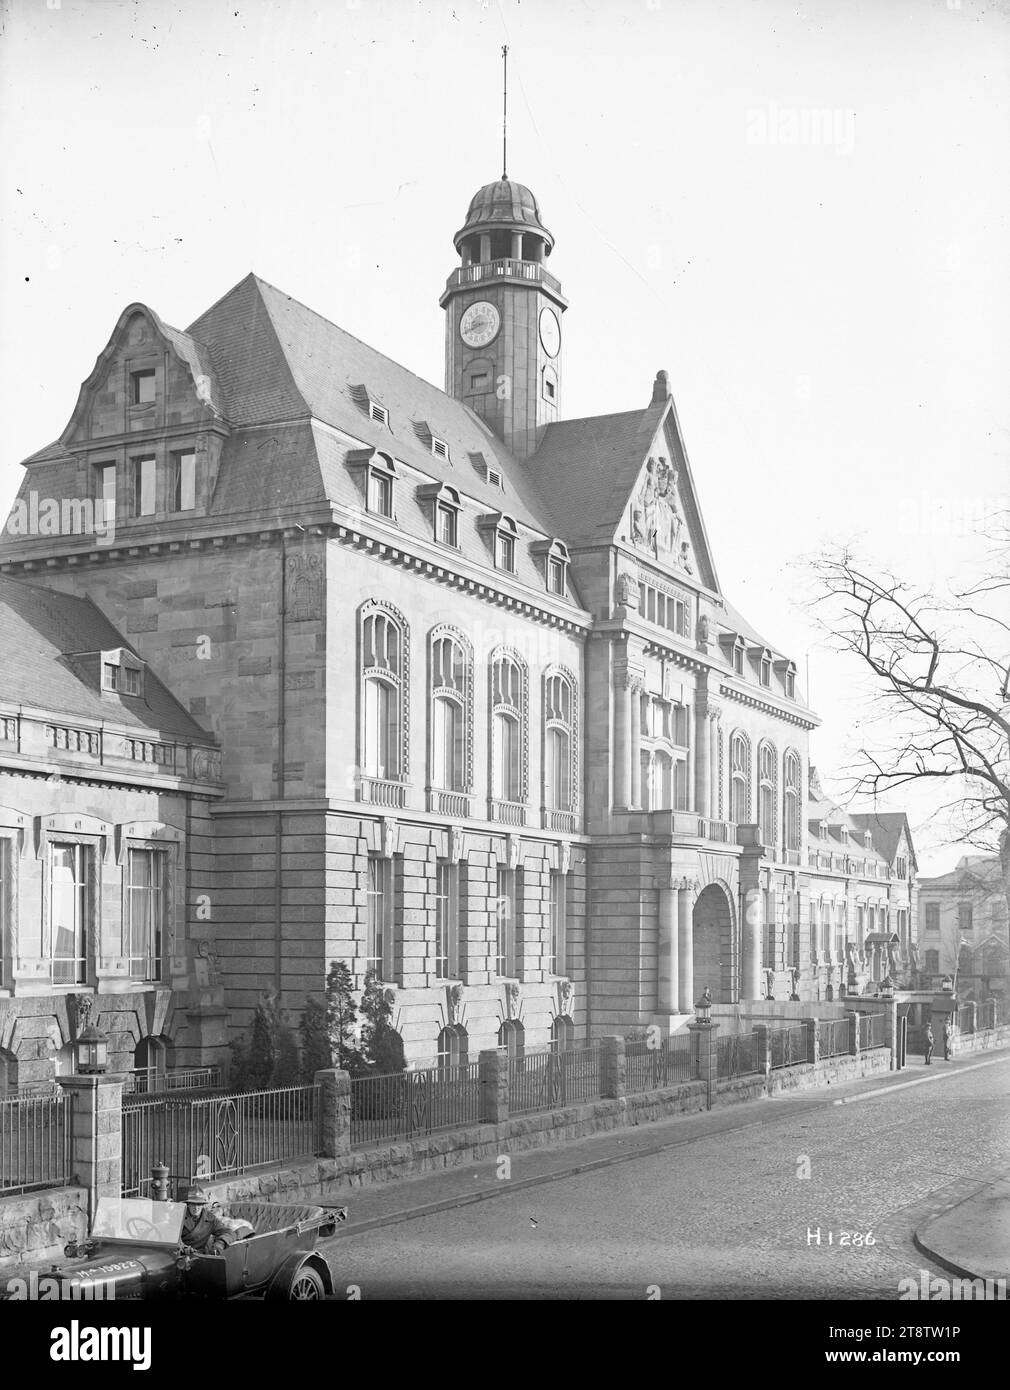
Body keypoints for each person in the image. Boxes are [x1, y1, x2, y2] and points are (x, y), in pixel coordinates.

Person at [179, 1187, 239, 1255]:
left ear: (203, 1205)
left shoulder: (209, 1218)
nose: (196, 1208)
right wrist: (183, 1247)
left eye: (199, 1204)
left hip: (200, 1255)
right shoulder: (179, 1216)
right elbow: (172, 1237)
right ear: (188, 1204)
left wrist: (220, 1243)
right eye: (193, 1204)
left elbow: (229, 1232)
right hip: (180, 1255)